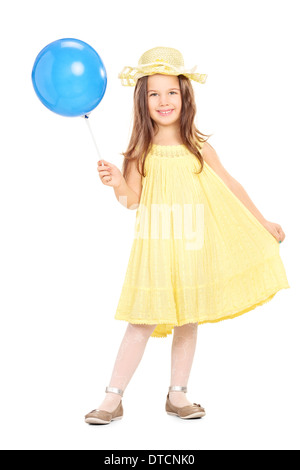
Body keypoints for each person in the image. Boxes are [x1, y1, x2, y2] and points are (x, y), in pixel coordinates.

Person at [85, 47, 290, 425]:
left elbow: (230, 186)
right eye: (154, 94)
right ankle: (112, 398)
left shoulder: (198, 148)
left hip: (192, 242)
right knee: (141, 321)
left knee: (187, 319)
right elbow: (132, 202)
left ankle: (177, 394)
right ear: (142, 101)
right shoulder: (139, 151)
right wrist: (117, 183)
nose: (164, 101)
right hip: (155, 245)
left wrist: (261, 221)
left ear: (185, 96)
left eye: (171, 93)